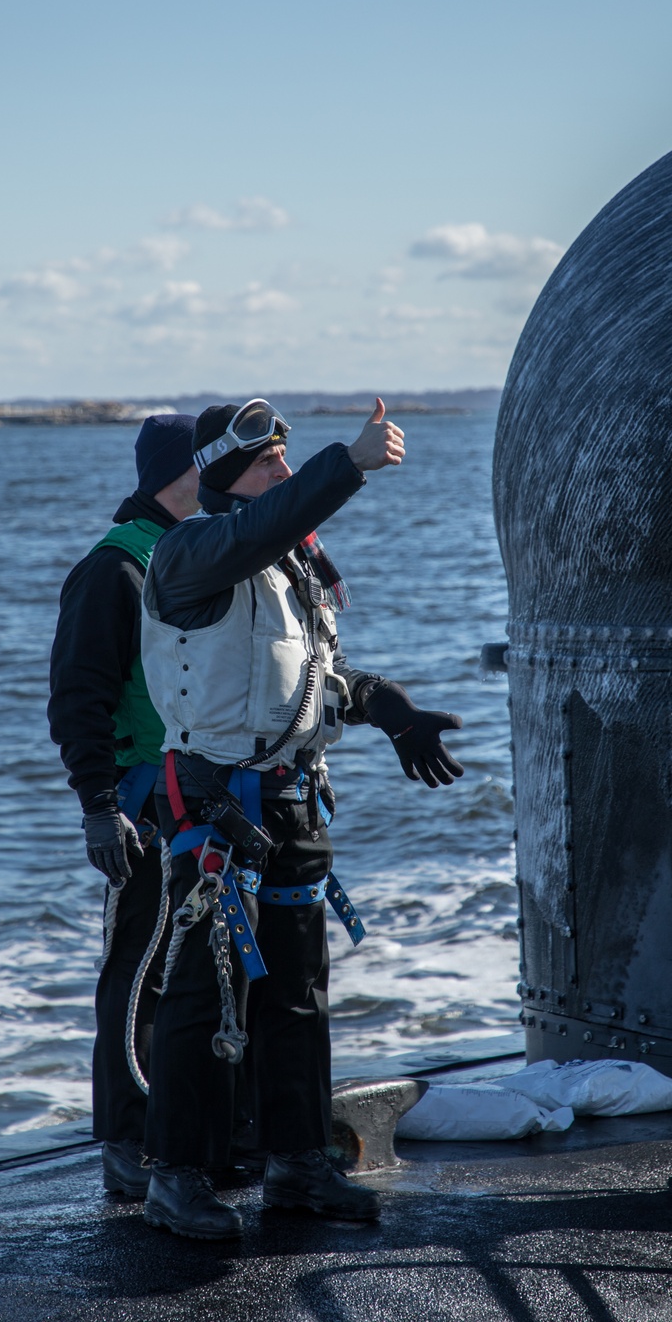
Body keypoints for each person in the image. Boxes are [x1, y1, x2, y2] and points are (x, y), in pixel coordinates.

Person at [139, 397, 463, 1239]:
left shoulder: (287, 571)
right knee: (204, 1000)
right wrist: (344, 464)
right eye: (265, 464)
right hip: (217, 809)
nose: (283, 473)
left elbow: (322, 678)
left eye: (289, 460)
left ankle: (298, 1164)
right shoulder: (190, 553)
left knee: (297, 996)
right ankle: (176, 1176)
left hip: (290, 804)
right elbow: (258, 528)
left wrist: (393, 712)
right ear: (221, 480)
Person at [48, 412, 199, 1199]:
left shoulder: (189, 554)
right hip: (139, 805)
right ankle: (124, 1141)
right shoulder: (114, 569)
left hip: (193, 798)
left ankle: (183, 1129)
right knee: (135, 971)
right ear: (177, 471)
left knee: (189, 974)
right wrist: (97, 805)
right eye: (206, 464)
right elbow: (77, 695)